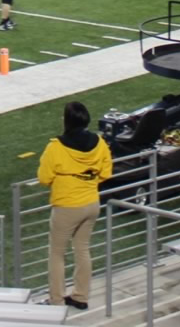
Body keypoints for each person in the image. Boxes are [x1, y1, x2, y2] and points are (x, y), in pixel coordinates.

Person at [38, 101, 111, 311]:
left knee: (57, 253)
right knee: (82, 249)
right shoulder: (99, 142)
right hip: (91, 203)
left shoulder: (56, 147)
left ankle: (56, 300)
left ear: (66, 120)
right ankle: (80, 296)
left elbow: (44, 177)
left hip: (66, 206)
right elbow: (106, 173)